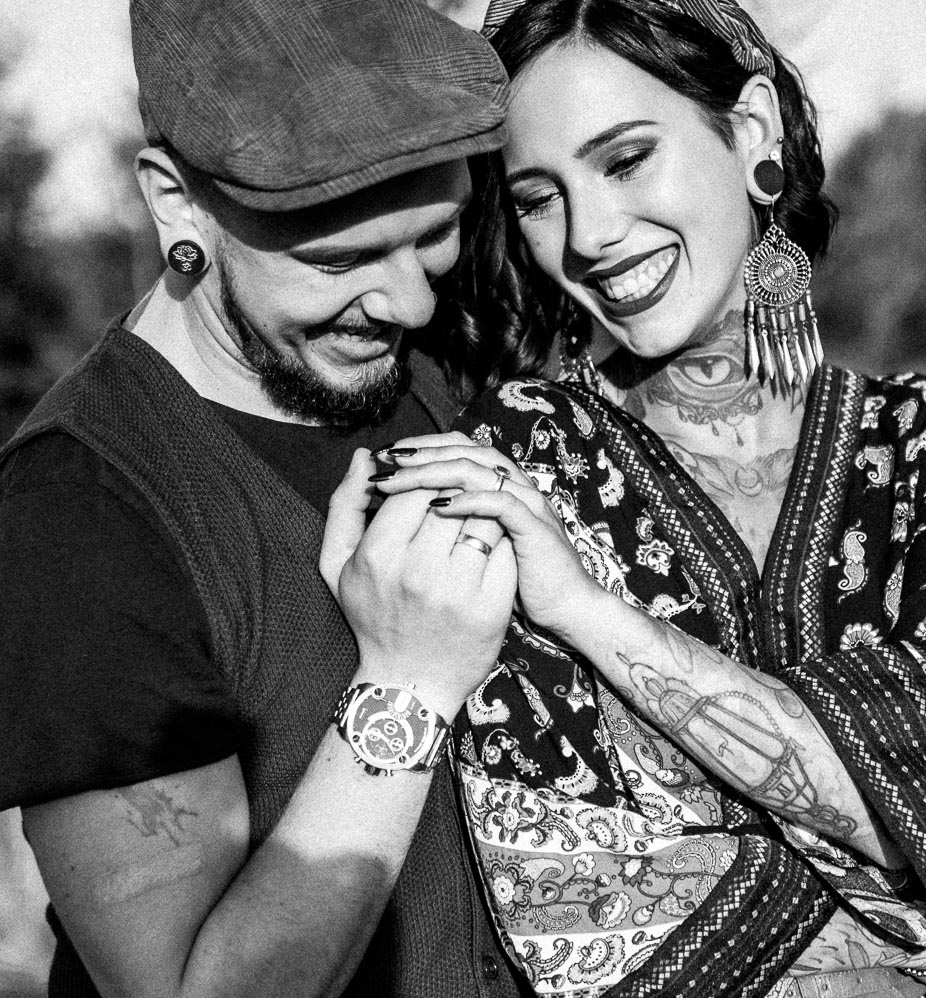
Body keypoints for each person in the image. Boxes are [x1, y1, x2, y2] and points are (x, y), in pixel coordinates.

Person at [323, 1, 926, 996]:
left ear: (751, 131)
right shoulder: (518, 460)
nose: (589, 235)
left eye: (626, 160)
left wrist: (586, 610)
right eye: (538, 198)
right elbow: (574, 905)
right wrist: (904, 891)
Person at [0, 0, 529, 995]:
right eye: (339, 260)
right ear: (177, 204)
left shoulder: (431, 363)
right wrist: (408, 688)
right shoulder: (81, 514)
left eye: (437, 232)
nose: (411, 301)